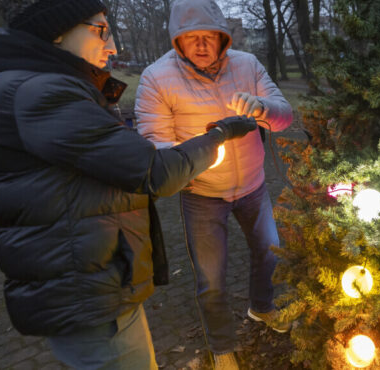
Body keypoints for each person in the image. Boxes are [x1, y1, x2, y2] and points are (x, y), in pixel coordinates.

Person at [0, 0, 256, 368]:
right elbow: (153, 171)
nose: (113, 45)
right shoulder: (41, 93)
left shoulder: (30, 85)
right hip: (85, 290)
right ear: (56, 30)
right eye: (100, 30)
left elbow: (100, 165)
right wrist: (220, 135)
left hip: (82, 277)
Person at [135, 0, 293, 368]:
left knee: (270, 253)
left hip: (253, 186)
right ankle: (222, 345)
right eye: (192, 37)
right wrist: (203, 149)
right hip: (202, 194)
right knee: (212, 279)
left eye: (210, 36)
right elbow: (155, 148)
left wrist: (262, 108)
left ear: (223, 37)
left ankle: (262, 307)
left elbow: (284, 115)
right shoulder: (156, 78)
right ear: (177, 39)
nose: (202, 45)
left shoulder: (247, 65)